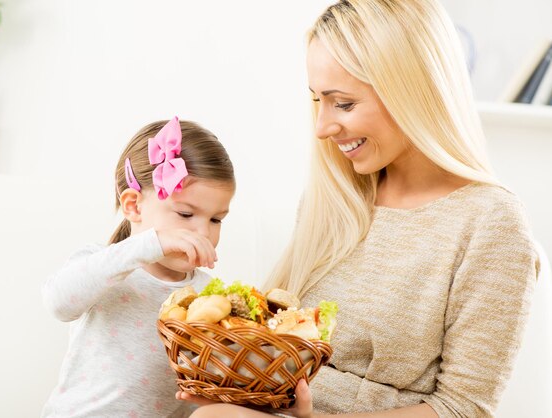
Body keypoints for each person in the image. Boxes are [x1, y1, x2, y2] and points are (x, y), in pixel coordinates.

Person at [178, 1, 540, 417]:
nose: (322, 127)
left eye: (343, 103)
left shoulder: (490, 223)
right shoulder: (335, 199)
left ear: (410, 91)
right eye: (317, 100)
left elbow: (463, 408)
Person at [41, 117, 236, 418]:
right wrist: (150, 244)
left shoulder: (208, 296)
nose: (203, 232)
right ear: (133, 206)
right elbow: (58, 303)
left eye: (215, 219)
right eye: (185, 214)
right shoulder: (105, 266)